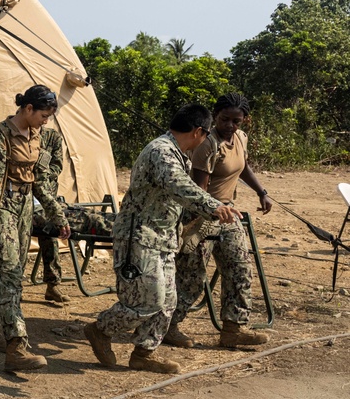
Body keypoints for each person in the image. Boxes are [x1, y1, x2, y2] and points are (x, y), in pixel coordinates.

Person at [84, 103, 243, 374]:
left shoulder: (178, 153)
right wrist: (213, 206)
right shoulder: (161, 151)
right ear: (198, 132)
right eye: (206, 135)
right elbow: (179, 185)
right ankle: (101, 329)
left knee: (168, 301)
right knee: (148, 302)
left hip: (163, 237)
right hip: (140, 237)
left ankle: (144, 353)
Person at [0, 85, 70, 372]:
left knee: (8, 271)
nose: (45, 121)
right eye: (43, 115)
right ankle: (17, 345)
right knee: (11, 274)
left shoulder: (38, 136)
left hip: (24, 209)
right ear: (27, 109)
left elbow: (41, 181)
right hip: (0, 207)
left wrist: (57, 215)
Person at [165, 93, 272, 349]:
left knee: (239, 269)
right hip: (202, 215)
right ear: (216, 117)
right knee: (192, 277)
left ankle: (234, 328)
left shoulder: (240, 139)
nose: (230, 126)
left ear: (245, 120)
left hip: (228, 213)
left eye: (237, 121)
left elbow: (243, 166)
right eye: (225, 120)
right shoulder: (207, 144)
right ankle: (168, 325)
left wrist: (261, 191)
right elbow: (199, 191)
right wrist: (211, 211)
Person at [32, 126, 70, 303]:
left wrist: (39, 172)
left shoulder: (52, 137)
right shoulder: (17, 133)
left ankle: (52, 285)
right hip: (21, 197)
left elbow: (57, 165)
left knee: (50, 236)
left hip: (45, 198)